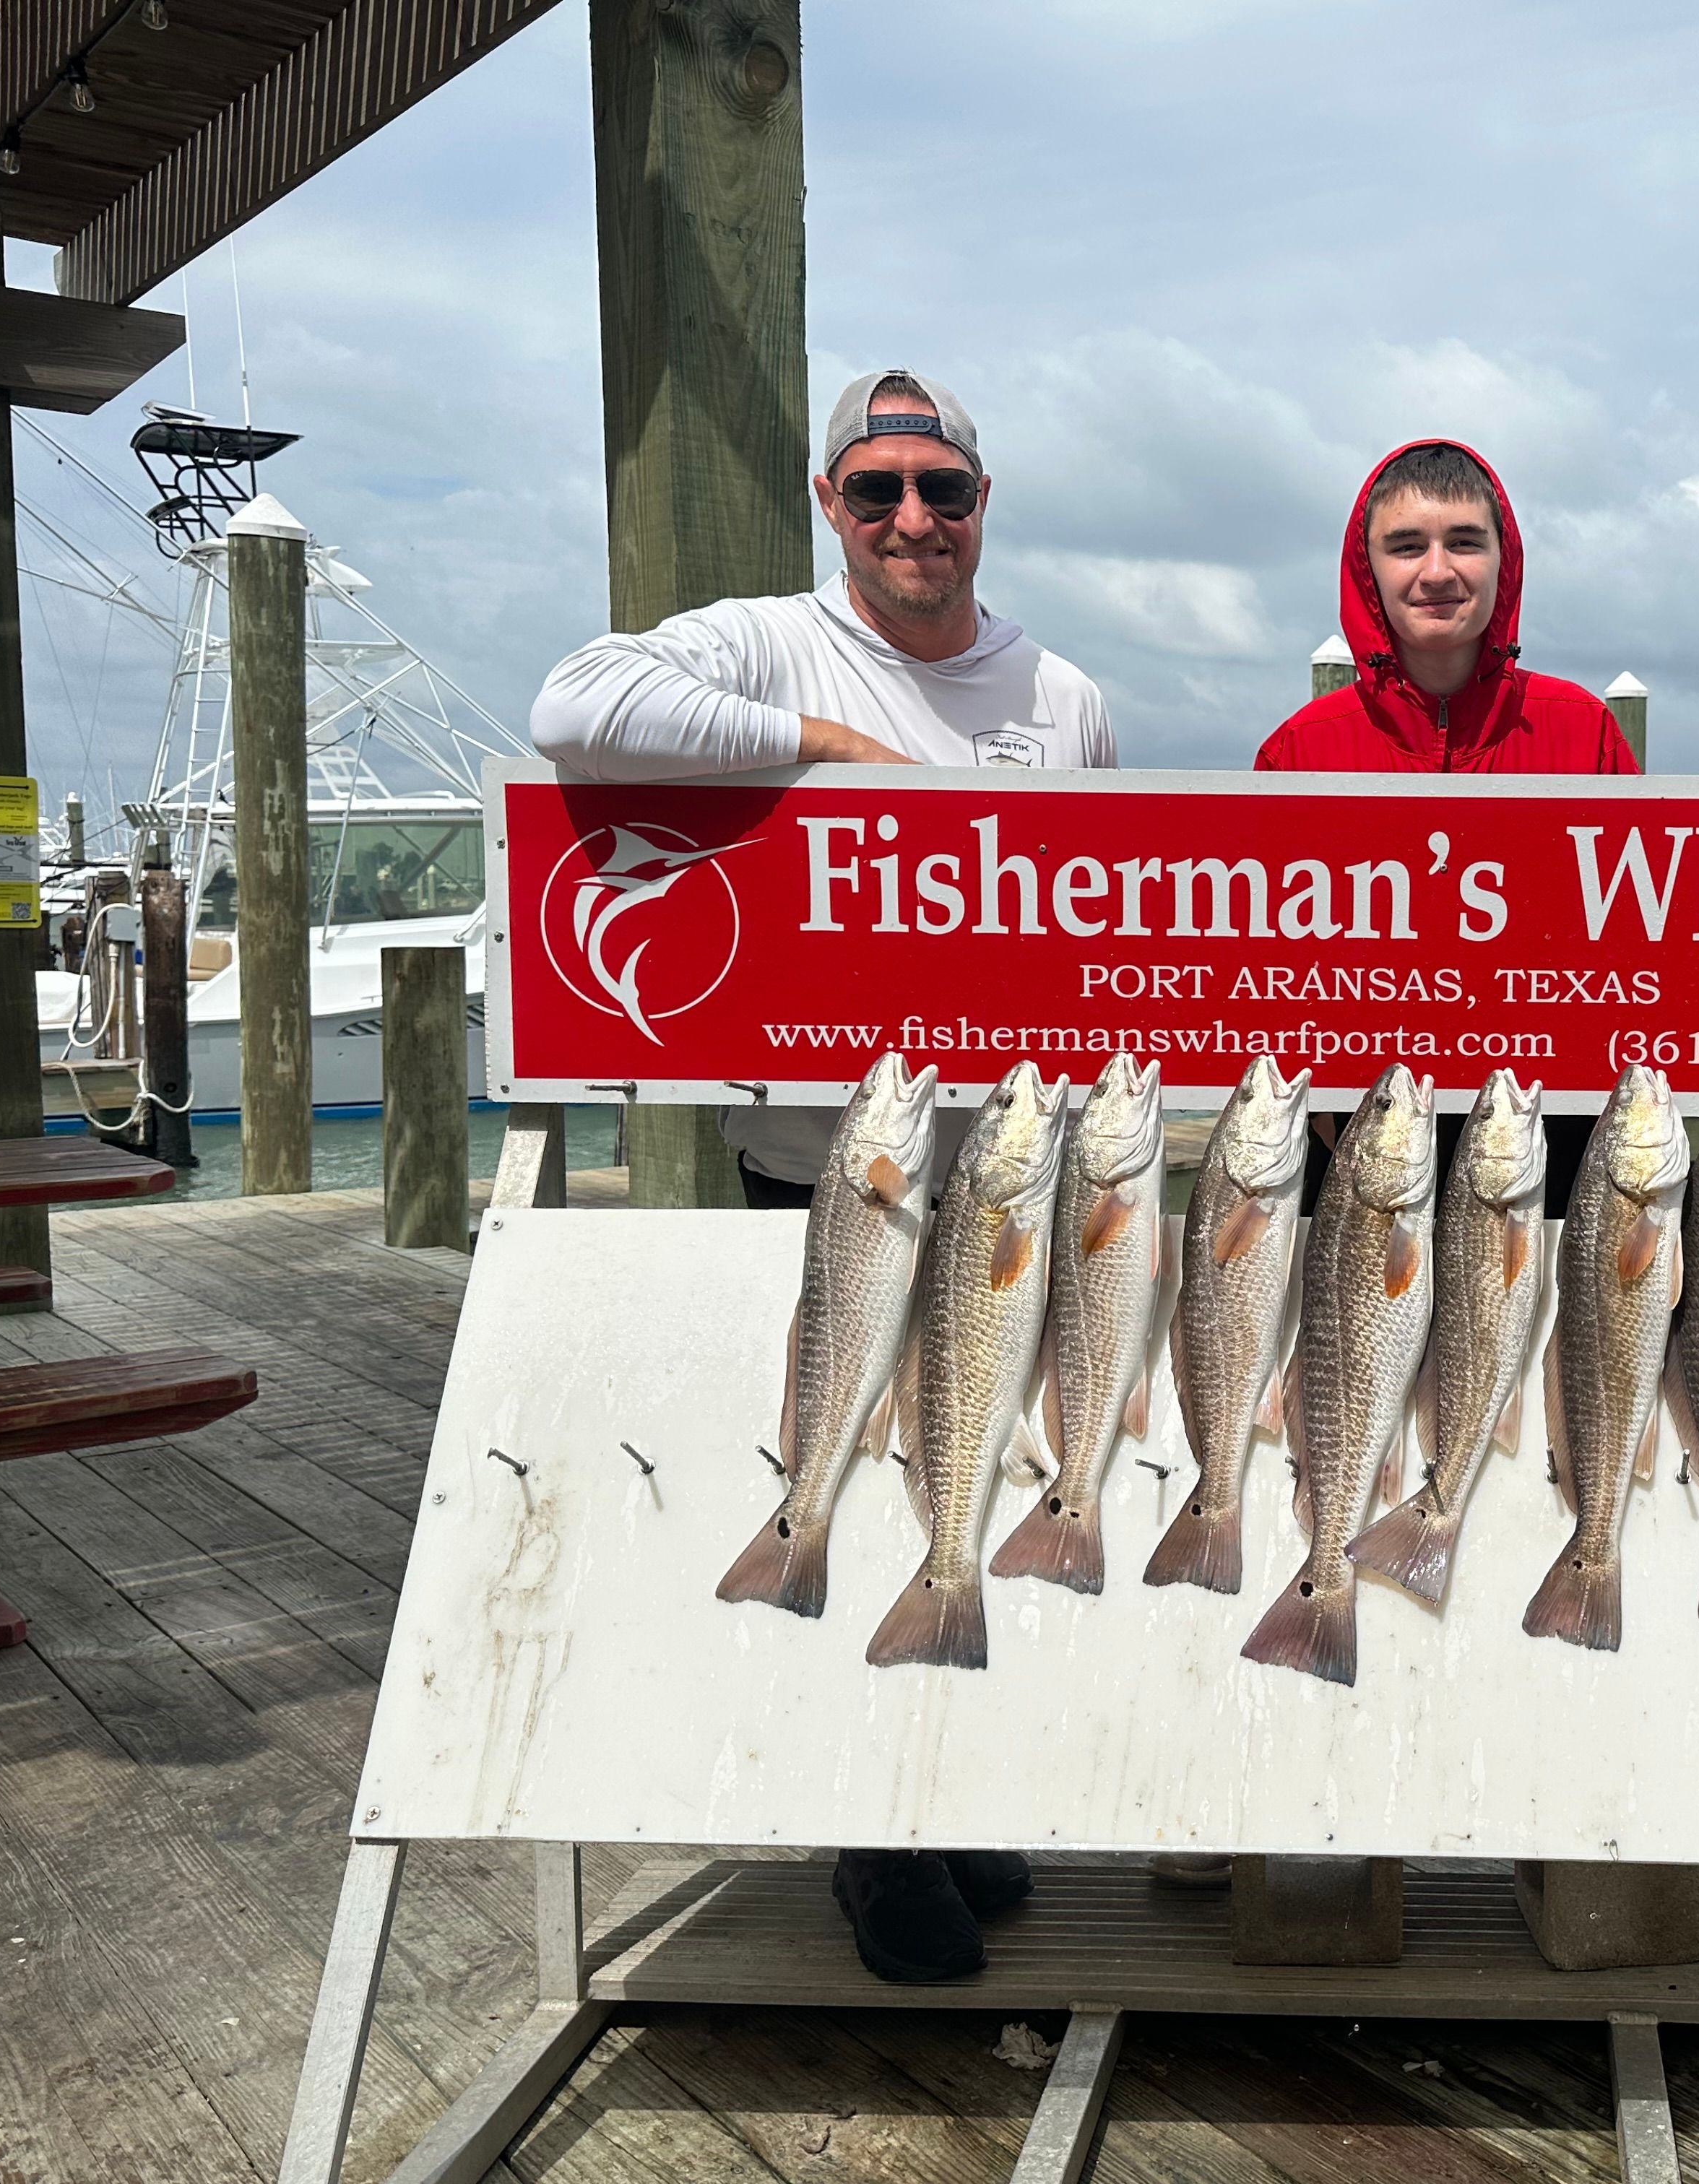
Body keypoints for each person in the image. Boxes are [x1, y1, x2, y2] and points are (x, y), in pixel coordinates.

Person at [530, 368, 1115, 1986]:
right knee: (842, 1478)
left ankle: (955, 1790)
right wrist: (816, 745)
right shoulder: (760, 639)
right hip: (828, 1184)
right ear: (830, 506)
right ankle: (875, 1840)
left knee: (984, 1475)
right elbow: (573, 704)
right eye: (879, 491)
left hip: (1007, 1186)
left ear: (985, 504)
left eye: (944, 488)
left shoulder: (1063, 697)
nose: (914, 518)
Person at [1258, 438, 1638, 1216]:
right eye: (1406, 547)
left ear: (1505, 561)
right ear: (1369, 570)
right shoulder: (1299, 749)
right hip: (1358, 1143)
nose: (1437, 571)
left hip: (1542, 1143)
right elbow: (1265, 965)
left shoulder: (1585, 730)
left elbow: (1639, 945)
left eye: (1465, 542)